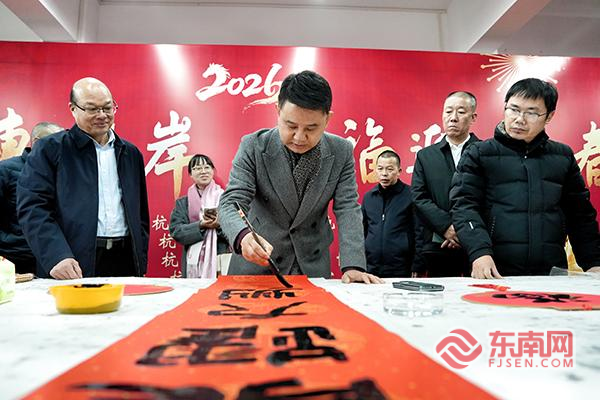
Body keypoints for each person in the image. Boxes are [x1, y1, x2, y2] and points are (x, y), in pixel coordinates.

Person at [218, 70, 383, 284]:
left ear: (328, 119)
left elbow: (347, 208)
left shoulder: (341, 151)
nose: (299, 137)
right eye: (291, 126)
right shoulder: (253, 146)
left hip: (311, 267)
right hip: (258, 265)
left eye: (311, 128)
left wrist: (354, 265)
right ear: (277, 111)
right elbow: (231, 202)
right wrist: (242, 236)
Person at [450, 78, 600, 278]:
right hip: (495, 270)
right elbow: (464, 207)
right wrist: (479, 252)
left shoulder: (562, 157)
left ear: (549, 116)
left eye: (531, 113)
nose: (519, 119)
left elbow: (580, 216)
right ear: (505, 107)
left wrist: (594, 263)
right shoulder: (479, 154)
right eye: (513, 109)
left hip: (551, 273)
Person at [17, 77, 149, 279]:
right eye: (92, 109)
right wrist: (56, 256)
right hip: (72, 260)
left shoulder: (130, 153)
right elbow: (33, 208)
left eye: (107, 108)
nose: (102, 115)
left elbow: (140, 214)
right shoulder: (50, 149)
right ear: (73, 108)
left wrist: (140, 255)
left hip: (125, 259)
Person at [411, 91, 479, 277]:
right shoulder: (426, 156)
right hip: (438, 244)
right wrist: (447, 228)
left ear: (473, 117)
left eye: (461, 112)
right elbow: (419, 197)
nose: (453, 118)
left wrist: (464, 231)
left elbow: (490, 197)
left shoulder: (484, 152)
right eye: (448, 111)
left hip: (477, 244)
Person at [0, 122, 63, 274]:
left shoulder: (64, 173)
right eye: (55, 142)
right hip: (15, 257)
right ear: (36, 142)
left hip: (55, 256)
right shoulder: (6, 170)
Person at [362, 150, 423, 277]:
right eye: (380, 168)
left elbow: (420, 232)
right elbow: (362, 231)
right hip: (371, 267)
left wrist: (417, 264)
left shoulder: (411, 196)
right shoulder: (368, 197)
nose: (384, 174)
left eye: (390, 169)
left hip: (401, 267)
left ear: (399, 171)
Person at [170, 154, 230, 278]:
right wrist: (200, 225)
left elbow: (237, 228)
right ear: (190, 174)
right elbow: (177, 231)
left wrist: (219, 226)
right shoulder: (183, 203)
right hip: (193, 262)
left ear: (213, 171)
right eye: (197, 168)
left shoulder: (226, 199)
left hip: (222, 259)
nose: (203, 171)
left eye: (207, 167)